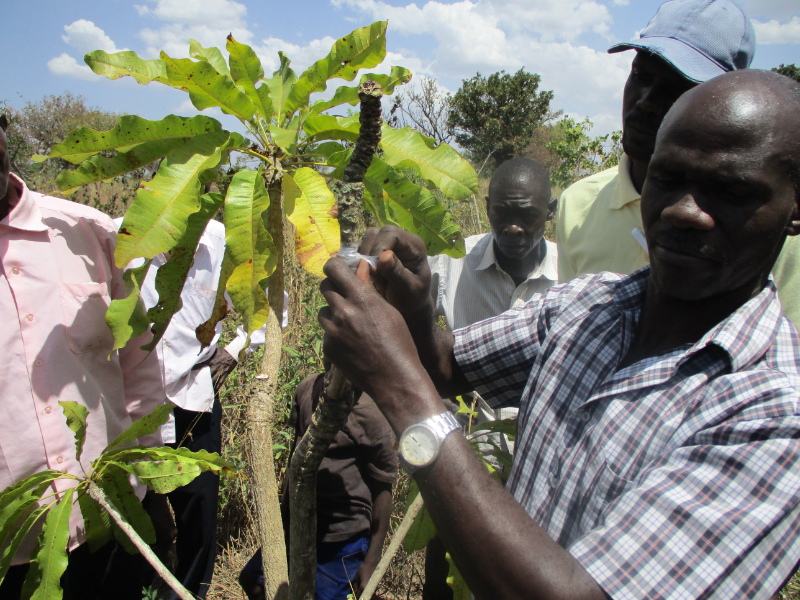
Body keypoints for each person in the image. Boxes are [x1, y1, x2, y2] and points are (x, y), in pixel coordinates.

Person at [318, 69, 800, 599]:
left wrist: (400, 388)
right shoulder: (590, 304)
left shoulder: (775, 416)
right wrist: (414, 308)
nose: (685, 211)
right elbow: (445, 368)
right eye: (666, 178)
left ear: (794, 208)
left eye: (730, 191)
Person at [0, 114, 169, 599]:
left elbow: (138, 361)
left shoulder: (84, 230)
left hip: (112, 514)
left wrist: (150, 479)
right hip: (13, 543)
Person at [115, 216, 289, 598]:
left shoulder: (223, 243)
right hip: (125, 396)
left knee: (198, 503)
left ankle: (189, 590)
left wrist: (232, 350)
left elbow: (272, 306)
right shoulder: (118, 239)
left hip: (193, 393)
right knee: (131, 503)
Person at [424, 156, 557, 598]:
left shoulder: (571, 271)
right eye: (503, 213)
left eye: (528, 216)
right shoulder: (452, 262)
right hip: (463, 455)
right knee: (447, 575)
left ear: (550, 213)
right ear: (487, 207)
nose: (514, 228)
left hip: (539, 464)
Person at [557, 0, 754, 281]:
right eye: (640, 75)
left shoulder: (754, 223)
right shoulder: (578, 205)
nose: (647, 102)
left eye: (678, 88)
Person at [239, 370, 397, 600]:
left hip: (344, 536)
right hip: (301, 522)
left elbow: (383, 488)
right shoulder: (307, 388)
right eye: (328, 352)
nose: (334, 367)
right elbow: (296, 456)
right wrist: (284, 521)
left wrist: (372, 559)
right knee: (253, 579)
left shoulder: (373, 413)